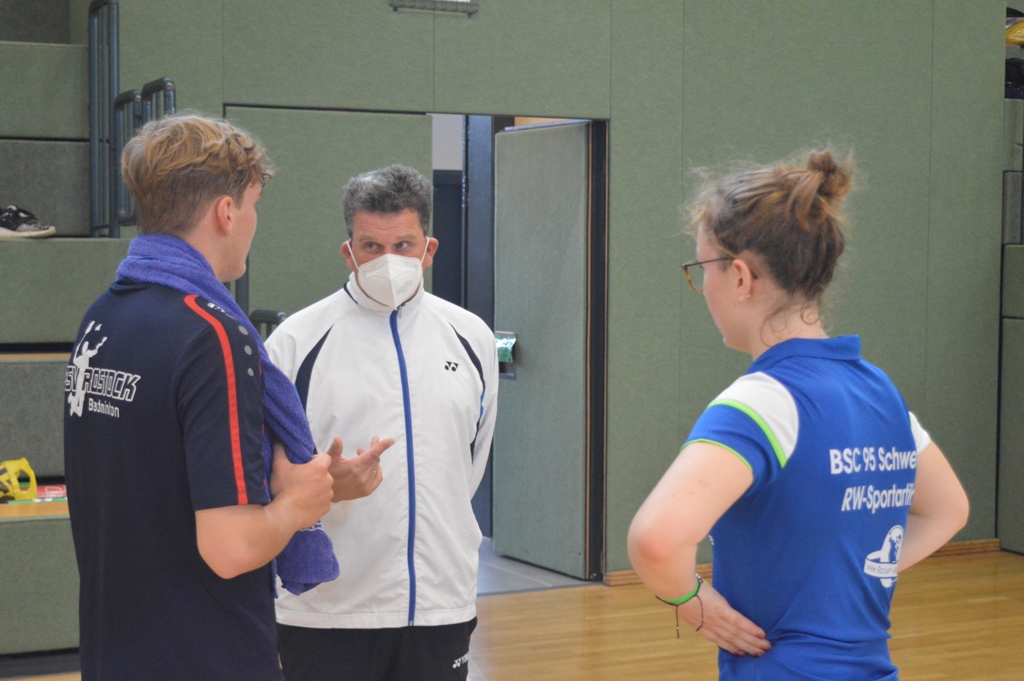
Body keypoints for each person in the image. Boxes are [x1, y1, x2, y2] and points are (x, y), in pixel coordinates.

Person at [63, 114, 389, 681]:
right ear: (226, 212)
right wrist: (296, 506)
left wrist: (302, 485)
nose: (253, 222)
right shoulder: (213, 336)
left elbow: (158, 480)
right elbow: (230, 547)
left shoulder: (104, 316)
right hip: (205, 654)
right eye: (254, 206)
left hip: (115, 648)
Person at [627, 149, 970, 680]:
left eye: (702, 269)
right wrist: (852, 572)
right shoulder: (879, 391)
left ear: (741, 277)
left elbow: (656, 540)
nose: (703, 287)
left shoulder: (760, 402)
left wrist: (693, 604)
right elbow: (948, 509)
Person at [267, 164, 499, 681]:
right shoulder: (295, 343)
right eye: (371, 246)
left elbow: (469, 464)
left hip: (441, 603)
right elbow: (263, 476)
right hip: (328, 609)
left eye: (403, 245)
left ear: (429, 249)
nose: (387, 259)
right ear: (348, 252)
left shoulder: (472, 338)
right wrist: (325, 485)